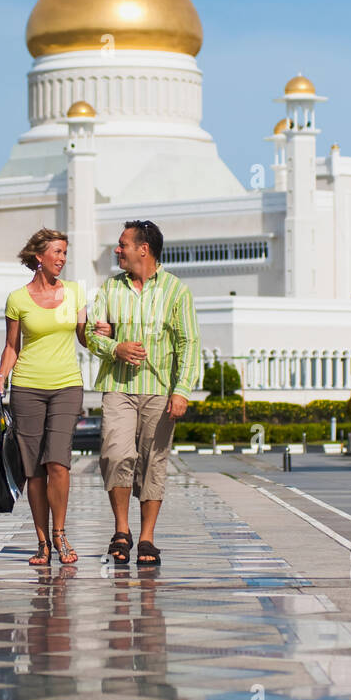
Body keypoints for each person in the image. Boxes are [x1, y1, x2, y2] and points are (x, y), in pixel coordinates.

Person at [86, 220, 201, 566]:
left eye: (122, 244)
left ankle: (147, 538)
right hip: (118, 388)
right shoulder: (110, 289)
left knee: (154, 462)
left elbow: (189, 343)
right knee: (115, 454)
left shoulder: (176, 291)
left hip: (159, 392)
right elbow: (92, 335)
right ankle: (122, 531)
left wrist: (181, 391)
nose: (117, 250)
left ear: (143, 249)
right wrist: (114, 347)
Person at [0, 229, 87, 566]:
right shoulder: (17, 299)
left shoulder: (75, 293)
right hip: (27, 387)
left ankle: (60, 533)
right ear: (38, 257)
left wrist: (99, 331)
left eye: (64, 253)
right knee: (34, 471)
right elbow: (12, 347)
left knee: (58, 462)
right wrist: (1, 376)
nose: (61, 259)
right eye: (56, 252)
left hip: (67, 386)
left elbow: (84, 337)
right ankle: (42, 541)